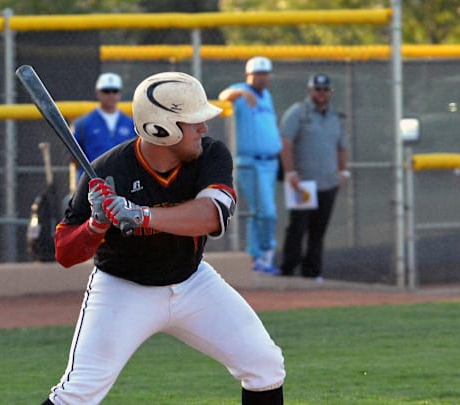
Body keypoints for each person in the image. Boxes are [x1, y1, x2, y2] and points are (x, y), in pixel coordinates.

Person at [41, 72, 285, 405]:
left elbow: (209, 216)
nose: (204, 128)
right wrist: (97, 225)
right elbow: (65, 252)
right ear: (161, 128)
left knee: (265, 366)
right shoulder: (108, 169)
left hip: (193, 283)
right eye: (193, 121)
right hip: (123, 289)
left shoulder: (211, 155)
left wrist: (140, 214)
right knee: (77, 394)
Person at [278, 73, 349, 281]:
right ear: (310, 91)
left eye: (325, 89)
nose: (321, 93)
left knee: (318, 230)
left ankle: (313, 272)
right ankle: (288, 270)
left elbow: (341, 147)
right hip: (303, 184)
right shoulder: (298, 113)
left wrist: (343, 171)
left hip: (327, 182)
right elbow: (285, 143)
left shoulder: (336, 116)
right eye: (317, 89)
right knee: (298, 227)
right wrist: (290, 172)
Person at [218, 56, 282, 274]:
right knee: (266, 212)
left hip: (270, 163)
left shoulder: (268, 95)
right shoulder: (241, 91)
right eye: (257, 74)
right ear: (249, 75)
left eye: (265, 74)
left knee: (261, 212)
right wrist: (243, 93)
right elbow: (223, 96)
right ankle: (262, 253)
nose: (262, 78)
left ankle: (260, 258)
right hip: (251, 162)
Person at [71, 72, 135, 180]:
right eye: (106, 91)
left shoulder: (130, 123)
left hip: (123, 180)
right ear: (98, 93)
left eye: (114, 91)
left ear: (119, 94)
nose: (111, 95)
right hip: (92, 181)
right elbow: (75, 156)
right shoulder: (83, 123)